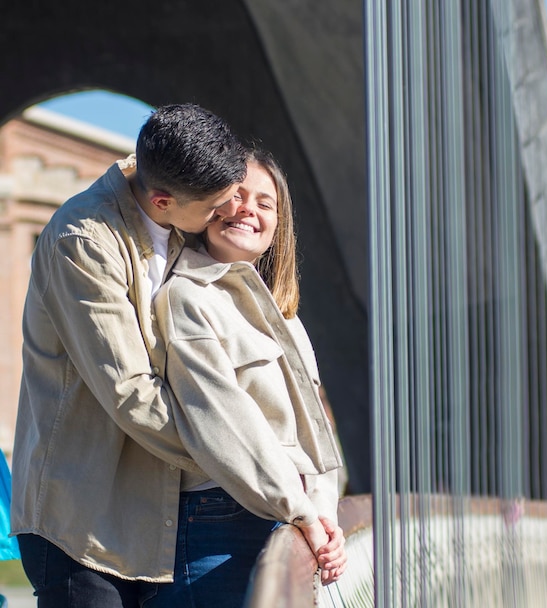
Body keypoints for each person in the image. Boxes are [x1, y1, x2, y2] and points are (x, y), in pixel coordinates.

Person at [11, 103, 249, 607]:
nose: (224, 216)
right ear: (162, 201)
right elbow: (132, 392)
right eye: (213, 209)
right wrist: (243, 464)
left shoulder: (173, 209)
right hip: (82, 525)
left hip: (150, 515)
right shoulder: (84, 239)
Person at [149, 147, 347, 607]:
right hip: (216, 524)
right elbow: (227, 423)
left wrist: (323, 509)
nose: (247, 210)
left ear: (280, 224)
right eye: (235, 196)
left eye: (265, 202)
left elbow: (315, 425)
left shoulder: (285, 317)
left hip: (286, 518)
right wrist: (303, 513)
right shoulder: (186, 297)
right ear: (207, 207)